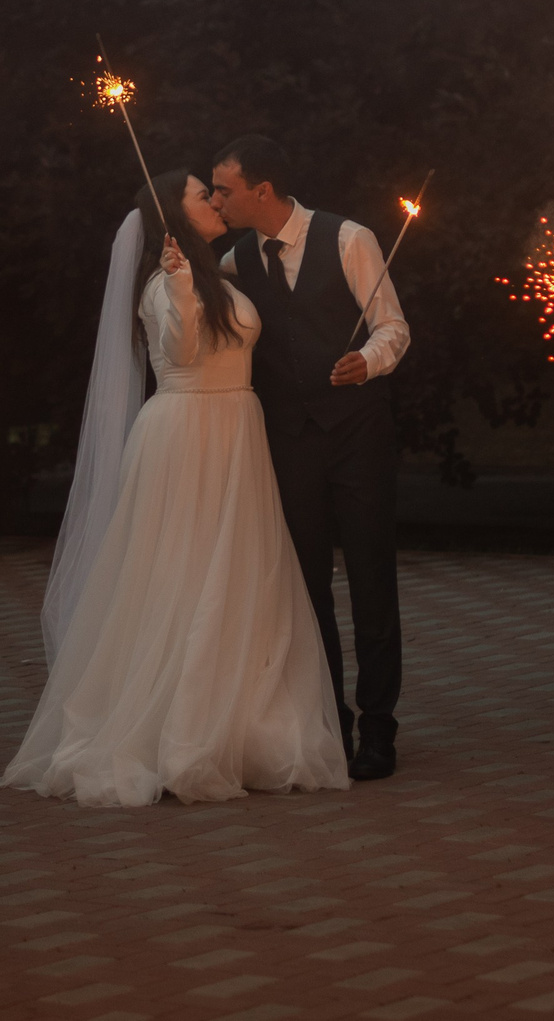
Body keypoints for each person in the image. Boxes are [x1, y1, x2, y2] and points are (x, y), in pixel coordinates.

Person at [2, 172, 349, 805]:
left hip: (236, 431)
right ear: (175, 218)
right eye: (202, 195)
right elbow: (182, 351)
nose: (216, 201)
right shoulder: (165, 284)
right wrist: (183, 284)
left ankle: (239, 722)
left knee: (239, 573)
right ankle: (178, 729)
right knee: (182, 573)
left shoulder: (225, 275)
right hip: (186, 432)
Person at [210, 136, 411, 781]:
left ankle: (379, 729)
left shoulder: (350, 239)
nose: (217, 200)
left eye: (224, 190)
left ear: (261, 191)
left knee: (373, 582)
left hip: (358, 433)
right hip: (289, 438)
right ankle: (330, 724)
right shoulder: (237, 260)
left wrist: (369, 361)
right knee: (307, 587)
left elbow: (395, 327)